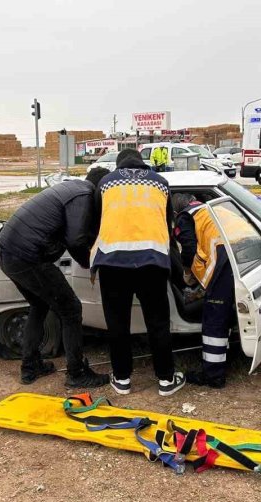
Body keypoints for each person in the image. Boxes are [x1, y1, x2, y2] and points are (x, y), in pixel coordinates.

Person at [0, 168, 111, 388]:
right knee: (71, 309)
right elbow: (76, 239)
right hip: (28, 257)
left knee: (39, 305)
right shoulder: (84, 195)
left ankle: (30, 366)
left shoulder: (72, 188)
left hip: (8, 252)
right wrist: (91, 263)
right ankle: (76, 373)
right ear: (100, 188)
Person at [92, 149, 185, 396]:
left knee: (117, 323)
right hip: (151, 262)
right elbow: (167, 225)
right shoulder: (161, 183)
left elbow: (97, 221)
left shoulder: (105, 183)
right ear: (143, 163)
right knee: (157, 322)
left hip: (113, 263)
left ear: (119, 164)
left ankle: (122, 379)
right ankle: (166, 379)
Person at [171, 193, 243, 389]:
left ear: (176, 210)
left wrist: (187, 271)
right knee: (226, 314)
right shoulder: (211, 208)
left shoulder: (185, 217)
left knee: (214, 321)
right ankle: (222, 358)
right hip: (242, 257)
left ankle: (213, 376)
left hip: (223, 264)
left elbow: (188, 247)